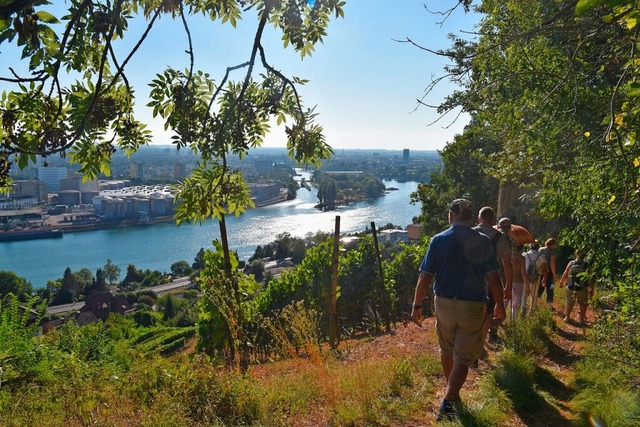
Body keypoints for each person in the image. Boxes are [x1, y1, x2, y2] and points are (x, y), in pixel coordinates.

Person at [411, 199, 506, 422]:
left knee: (447, 350)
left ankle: (451, 394)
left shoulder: (438, 240)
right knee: (463, 357)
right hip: (473, 305)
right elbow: (494, 278)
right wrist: (500, 306)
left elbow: (425, 276)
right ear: (472, 217)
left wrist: (416, 305)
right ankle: (449, 400)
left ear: (450, 215)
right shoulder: (483, 242)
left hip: (443, 302)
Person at [474, 208, 512, 345]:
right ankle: (480, 345)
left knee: (472, 312)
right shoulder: (500, 237)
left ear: (479, 218)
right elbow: (507, 264)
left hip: (472, 280)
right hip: (492, 281)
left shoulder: (471, 233)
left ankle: (471, 346)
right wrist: (508, 285)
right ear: (493, 220)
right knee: (488, 313)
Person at [559, 250, 593, 326]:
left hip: (570, 286)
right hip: (582, 287)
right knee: (583, 303)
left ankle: (567, 317)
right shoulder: (586, 265)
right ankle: (581, 320)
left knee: (569, 302)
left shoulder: (571, 263)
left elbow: (565, 273)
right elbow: (590, 278)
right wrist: (591, 289)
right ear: (584, 256)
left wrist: (561, 282)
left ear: (576, 254)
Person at [524, 240, 547, 310]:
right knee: (534, 294)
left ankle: (522, 309)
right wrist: (544, 279)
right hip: (537, 276)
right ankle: (532, 309)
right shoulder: (542, 256)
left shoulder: (525, 255)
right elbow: (544, 269)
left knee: (524, 294)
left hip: (526, 276)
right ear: (538, 247)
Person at [537, 238, 558, 305]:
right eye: (555, 245)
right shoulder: (552, 252)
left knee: (540, 288)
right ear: (552, 244)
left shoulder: (540, 249)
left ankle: (536, 303)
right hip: (549, 272)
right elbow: (552, 264)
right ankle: (549, 304)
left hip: (540, 271)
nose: (555, 246)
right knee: (550, 288)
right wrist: (554, 275)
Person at [510, 243, 530, 316]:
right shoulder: (522, 258)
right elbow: (524, 274)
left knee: (507, 299)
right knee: (517, 300)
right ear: (521, 249)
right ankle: (513, 317)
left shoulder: (509, 257)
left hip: (509, 280)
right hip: (518, 282)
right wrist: (527, 286)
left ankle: (500, 317)